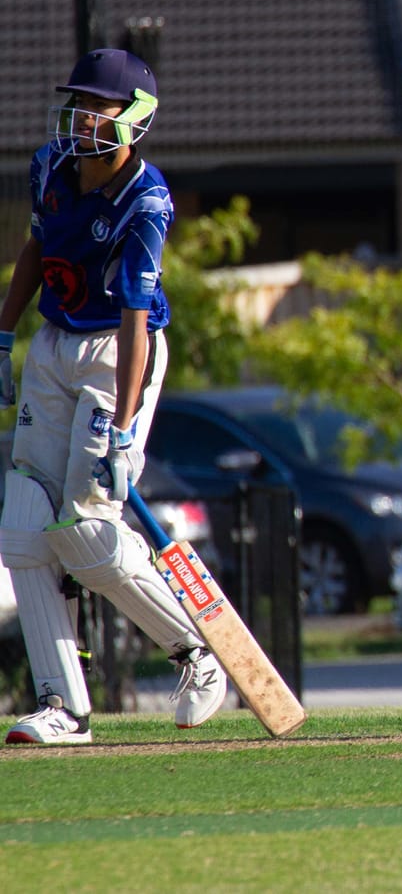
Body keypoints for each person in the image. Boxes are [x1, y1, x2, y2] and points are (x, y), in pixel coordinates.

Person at [0, 50, 226, 745]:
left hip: (118, 352)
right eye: (77, 102)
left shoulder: (146, 200)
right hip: (53, 343)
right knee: (23, 528)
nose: (80, 116)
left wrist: (124, 430)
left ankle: (196, 652)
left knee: (88, 531)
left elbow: (134, 318)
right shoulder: (50, 166)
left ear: (133, 118)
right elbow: (37, 249)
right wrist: (3, 334)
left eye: (97, 106)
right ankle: (63, 707)